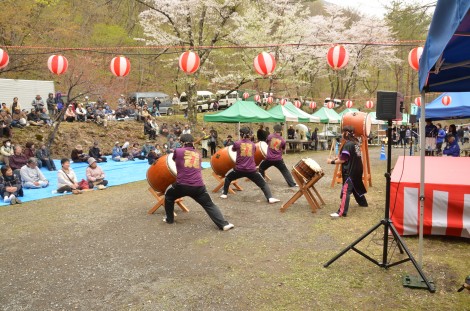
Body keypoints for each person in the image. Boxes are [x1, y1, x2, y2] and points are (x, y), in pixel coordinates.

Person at [163, 134, 234, 231]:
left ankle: (169, 219)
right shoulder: (198, 154)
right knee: (209, 204)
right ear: (192, 142)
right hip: (198, 186)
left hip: (181, 185)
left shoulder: (178, 151)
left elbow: (174, 159)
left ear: (182, 143)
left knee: (169, 195)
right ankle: (223, 224)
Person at [220, 127, 280, 204]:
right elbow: (253, 152)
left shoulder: (237, 143)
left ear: (241, 134)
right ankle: (270, 198)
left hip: (239, 169)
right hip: (251, 170)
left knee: (228, 177)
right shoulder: (253, 145)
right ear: (249, 135)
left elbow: (233, 149)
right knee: (263, 184)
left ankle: (224, 194)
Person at [327, 125, 368, 218]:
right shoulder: (356, 142)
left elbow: (343, 160)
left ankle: (341, 212)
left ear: (346, 133)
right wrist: (338, 157)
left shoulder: (348, 144)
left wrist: (331, 161)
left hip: (350, 171)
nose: (341, 134)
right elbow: (349, 156)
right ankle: (363, 203)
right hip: (357, 169)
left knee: (346, 191)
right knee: (356, 186)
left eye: (342, 132)